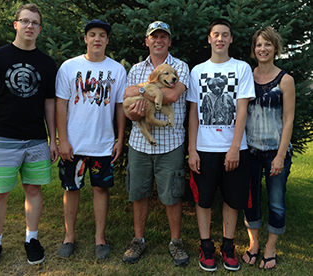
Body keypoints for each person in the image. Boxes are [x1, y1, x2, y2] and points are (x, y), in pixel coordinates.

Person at [0, 3, 58, 272]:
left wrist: (52, 139)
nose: (30, 26)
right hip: (2, 137)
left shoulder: (47, 63)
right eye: (25, 21)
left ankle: (32, 239)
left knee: (33, 190)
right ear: (16, 24)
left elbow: (49, 103)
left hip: (35, 139)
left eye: (35, 23)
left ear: (40, 29)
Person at [187, 18, 255, 272]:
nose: (220, 39)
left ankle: (228, 246)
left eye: (225, 35)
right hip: (204, 148)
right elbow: (193, 112)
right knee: (203, 199)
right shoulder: (197, 71)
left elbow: (242, 109)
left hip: (234, 147)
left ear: (231, 39)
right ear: (209, 39)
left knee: (233, 199)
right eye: (216, 34)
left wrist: (235, 146)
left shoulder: (241, 69)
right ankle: (206, 247)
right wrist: (192, 149)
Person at [55, 19, 126, 260]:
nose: (97, 39)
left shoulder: (117, 70)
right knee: (71, 189)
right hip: (74, 144)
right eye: (92, 34)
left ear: (107, 40)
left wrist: (120, 138)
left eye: (102, 35)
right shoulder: (68, 67)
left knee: (100, 189)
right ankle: (69, 236)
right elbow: (60, 104)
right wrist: (62, 139)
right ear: (85, 39)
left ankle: (100, 238)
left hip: (103, 144)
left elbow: (120, 107)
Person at [122, 21, 190, 267]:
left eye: (163, 36)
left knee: (172, 194)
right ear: (147, 41)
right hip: (140, 142)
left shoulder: (180, 66)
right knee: (138, 193)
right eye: (154, 37)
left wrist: (139, 92)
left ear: (169, 41)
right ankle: (138, 240)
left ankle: (176, 242)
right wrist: (134, 110)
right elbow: (127, 102)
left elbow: (171, 95)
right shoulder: (137, 68)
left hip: (170, 144)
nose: (158, 40)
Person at [242, 27, 295, 270]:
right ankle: (253, 244)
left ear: (275, 48)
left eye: (268, 45)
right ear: (254, 50)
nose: (263, 49)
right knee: (250, 200)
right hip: (250, 150)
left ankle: (270, 248)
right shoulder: (246, 75)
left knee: (276, 201)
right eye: (259, 45)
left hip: (276, 151)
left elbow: (289, 119)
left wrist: (281, 156)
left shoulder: (285, 80)